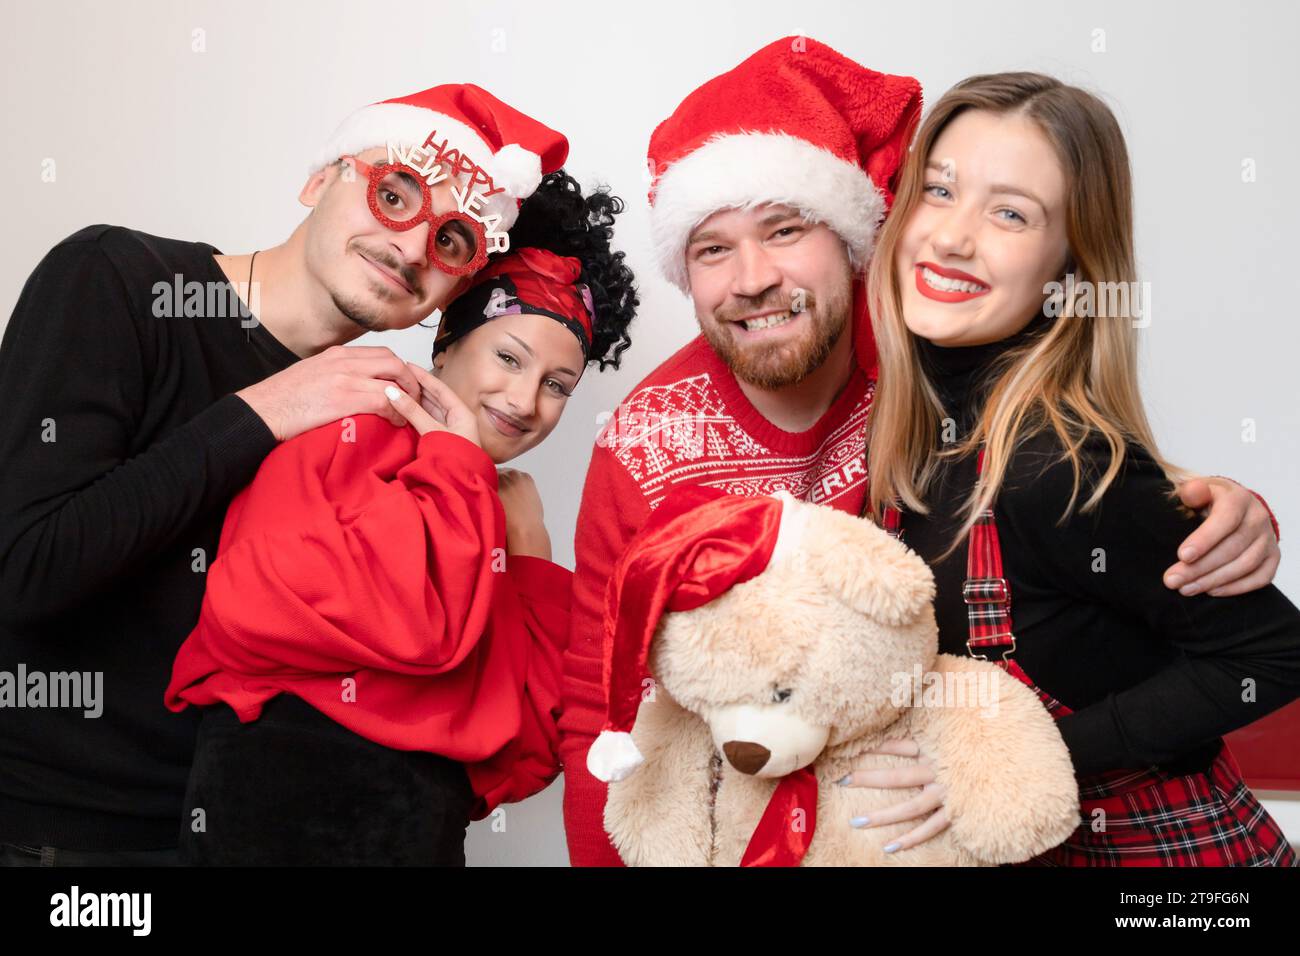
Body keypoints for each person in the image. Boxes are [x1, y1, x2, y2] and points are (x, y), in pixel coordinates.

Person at [559, 37, 1285, 866]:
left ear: (855, 237)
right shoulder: (654, 438)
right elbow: (600, 702)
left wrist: (1215, 504)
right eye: (712, 247)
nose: (752, 279)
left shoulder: (924, 350)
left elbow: (1077, 465)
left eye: (786, 227)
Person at [0, 81, 567, 866]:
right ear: (318, 179)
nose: (410, 249)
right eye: (393, 194)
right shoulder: (118, 281)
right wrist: (261, 412)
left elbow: (433, 687)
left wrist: (523, 555)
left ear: (456, 289)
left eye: (452, 241)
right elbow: (25, 569)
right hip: (62, 841)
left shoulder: (387, 419)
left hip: (246, 836)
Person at [847, 71, 1299, 865]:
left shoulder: (1051, 463)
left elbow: (1273, 656)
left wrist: (1036, 757)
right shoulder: (910, 433)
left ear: (1070, 269)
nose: (954, 236)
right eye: (940, 190)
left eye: (1011, 213)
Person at [164, 168, 639, 865]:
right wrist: (457, 466)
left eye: (557, 385)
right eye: (508, 357)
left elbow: (538, 748)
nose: (523, 398)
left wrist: (532, 561)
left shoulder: (499, 511)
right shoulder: (343, 428)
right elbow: (414, 627)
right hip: (266, 827)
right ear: (447, 340)